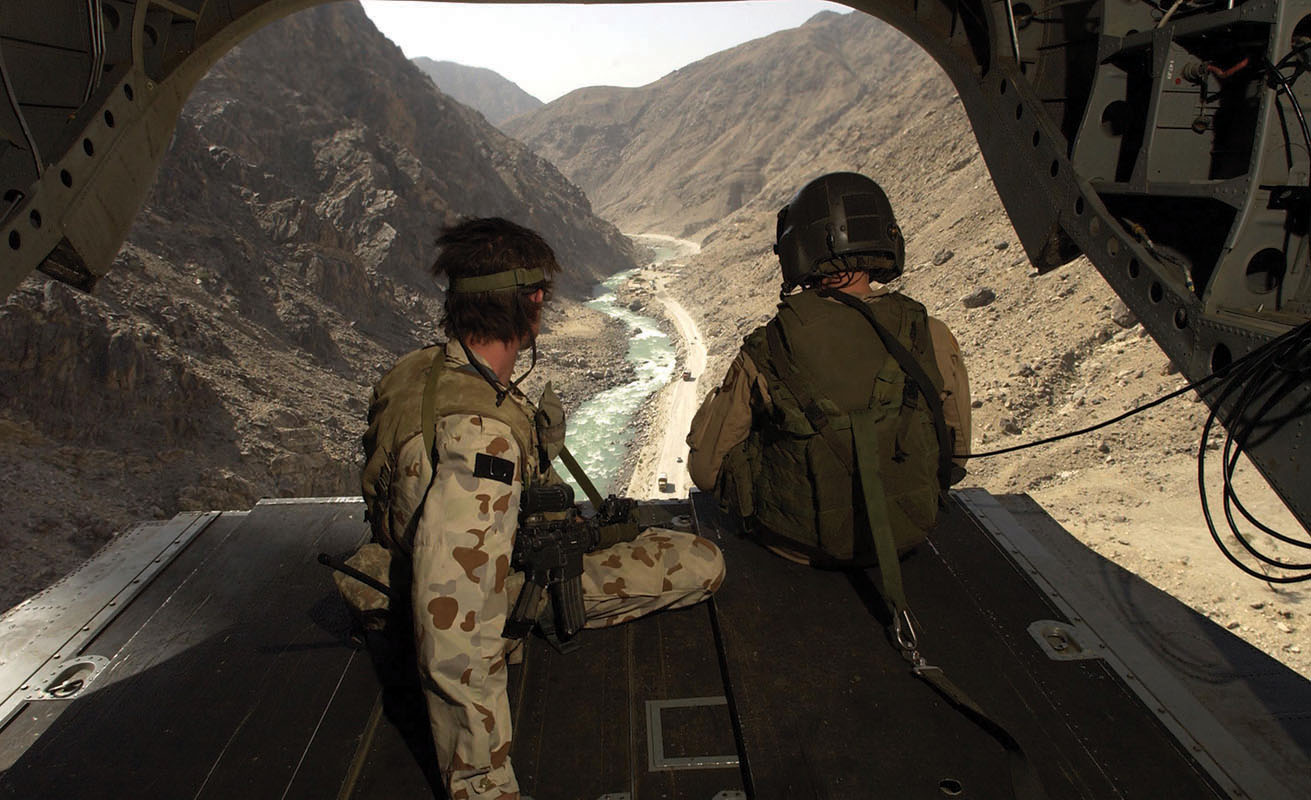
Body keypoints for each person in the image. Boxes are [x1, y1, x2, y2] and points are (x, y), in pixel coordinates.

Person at [360, 217, 725, 800]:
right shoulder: (484, 441)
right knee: (700, 562)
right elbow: (452, 623)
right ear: (533, 301)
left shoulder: (417, 373)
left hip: (423, 553)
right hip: (476, 591)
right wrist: (484, 787)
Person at [687, 172, 971, 567]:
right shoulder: (930, 334)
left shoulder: (771, 346)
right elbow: (956, 457)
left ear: (799, 248)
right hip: (906, 537)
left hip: (796, 547)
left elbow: (705, 470)